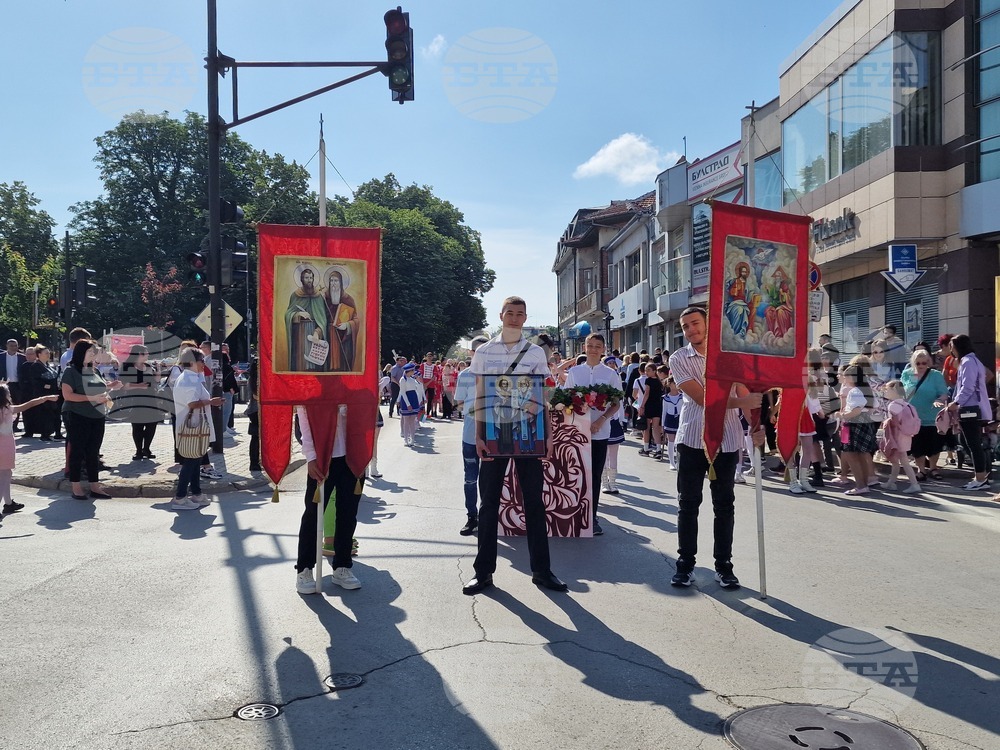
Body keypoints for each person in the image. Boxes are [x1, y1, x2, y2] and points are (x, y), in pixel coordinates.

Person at [463, 296, 568, 595]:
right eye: (509, 312)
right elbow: (481, 395)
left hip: (528, 436)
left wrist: (546, 436)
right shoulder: (483, 351)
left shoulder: (535, 353)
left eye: (519, 314)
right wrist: (480, 436)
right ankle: (482, 573)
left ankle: (542, 571)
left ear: (525, 318)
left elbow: (542, 397)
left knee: (534, 503)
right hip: (495, 436)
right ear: (501, 316)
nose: (514, 317)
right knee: (489, 505)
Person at [668, 306, 763, 590]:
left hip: (728, 440)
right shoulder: (679, 358)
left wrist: (755, 428)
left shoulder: (730, 356)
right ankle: (685, 565)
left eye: (695, 323)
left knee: (724, 506)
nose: (690, 330)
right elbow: (700, 398)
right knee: (688, 505)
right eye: (685, 326)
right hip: (693, 440)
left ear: (709, 323)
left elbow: (745, 396)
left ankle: (724, 566)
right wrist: (741, 404)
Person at [294, 404, 364, 593]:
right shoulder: (313, 385)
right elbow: (305, 420)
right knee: (313, 513)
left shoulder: (354, 380)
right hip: (322, 456)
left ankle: (342, 566)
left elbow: (365, 413)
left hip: (352, 454)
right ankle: (304, 568)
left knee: (348, 513)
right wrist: (310, 457)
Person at [562, 333, 622, 536]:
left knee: (594, 474)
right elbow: (565, 399)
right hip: (577, 432)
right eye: (590, 345)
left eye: (598, 346)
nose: (594, 349)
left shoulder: (610, 374)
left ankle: (591, 516)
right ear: (584, 347)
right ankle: (573, 513)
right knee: (575, 473)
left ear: (603, 349)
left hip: (599, 432)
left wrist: (601, 420)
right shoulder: (575, 372)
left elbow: (616, 403)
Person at [61, 340, 122, 500]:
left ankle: (95, 486)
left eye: (94, 352)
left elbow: (98, 388)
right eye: (90, 352)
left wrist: (110, 387)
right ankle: (76, 486)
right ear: (81, 352)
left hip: (97, 415)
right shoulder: (71, 371)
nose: (93, 354)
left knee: (93, 451)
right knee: (78, 450)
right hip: (77, 415)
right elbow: (68, 395)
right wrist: (92, 398)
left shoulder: (95, 370)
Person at [170, 347, 221, 510]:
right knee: (190, 462)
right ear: (192, 362)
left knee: (196, 460)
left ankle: (196, 493)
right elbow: (192, 404)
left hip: (195, 426)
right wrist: (211, 402)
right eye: (201, 361)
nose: (203, 364)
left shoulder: (191, 377)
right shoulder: (188, 379)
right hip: (192, 427)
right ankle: (180, 497)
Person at [0, 382, 58, 514]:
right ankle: (6, 503)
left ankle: (8, 503)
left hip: (5, 443)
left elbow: (28, 404)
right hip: (5, 444)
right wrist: (45, 398)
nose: (10, 394)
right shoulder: (7, 409)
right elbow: (28, 405)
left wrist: (45, 398)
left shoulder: (7, 409)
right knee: (4, 475)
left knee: (6, 474)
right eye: (8, 393)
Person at [454, 335, 490, 535]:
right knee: (470, 478)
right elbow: (459, 402)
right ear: (471, 352)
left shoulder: (498, 374)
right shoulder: (464, 375)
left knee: (491, 480)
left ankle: (489, 516)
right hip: (469, 436)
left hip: (493, 435)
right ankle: (471, 516)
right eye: (477, 351)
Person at [947, 334, 991, 490]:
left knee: (972, 443)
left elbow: (968, 387)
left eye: (951, 346)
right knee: (968, 442)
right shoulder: (972, 360)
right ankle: (982, 475)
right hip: (972, 408)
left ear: (958, 346)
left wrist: (956, 402)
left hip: (970, 409)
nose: (950, 349)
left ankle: (981, 478)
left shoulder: (967, 362)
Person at [900, 349, 949, 480]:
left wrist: (939, 400)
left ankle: (933, 468)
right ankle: (921, 470)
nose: (921, 365)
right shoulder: (906, 374)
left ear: (929, 362)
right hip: (912, 417)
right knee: (917, 445)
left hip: (932, 416)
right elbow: (901, 392)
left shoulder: (935, 375)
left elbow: (944, 393)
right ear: (913, 363)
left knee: (934, 445)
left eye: (924, 362)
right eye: (918, 363)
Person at [834, 364, 878, 495]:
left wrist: (841, 415)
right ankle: (863, 484)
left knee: (850, 455)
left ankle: (860, 485)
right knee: (859, 455)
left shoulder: (855, 391)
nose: (844, 378)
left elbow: (856, 410)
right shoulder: (866, 389)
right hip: (864, 423)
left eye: (846, 375)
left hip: (853, 424)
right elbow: (870, 408)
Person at [118, 344, 162, 460]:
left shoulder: (148, 366)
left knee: (151, 425)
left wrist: (158, 370)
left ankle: (146, 448)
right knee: (137, 426)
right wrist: (138, 386)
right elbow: (123, 385)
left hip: (151, 399)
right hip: (135, 400)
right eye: (146, 353)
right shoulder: (127, 367)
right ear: (139, 354)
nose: (148, 355)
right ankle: (138, 450)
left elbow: (156, 380)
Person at [878, 380, 921, 493]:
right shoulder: (907, 404)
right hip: (906, 434)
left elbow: (894, 422)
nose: (885, 392)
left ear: (893, 390)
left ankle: (914, 484)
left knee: (901, 460)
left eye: (887, 389)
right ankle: (891, 482)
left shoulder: (893, 405)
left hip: (897, 435)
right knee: (896, 460)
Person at [284, 265, 328, 371]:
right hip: (300, 334)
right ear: (302, 279)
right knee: (301, 363)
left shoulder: (318, 297)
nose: (309, 280)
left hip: (314, 332)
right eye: (306, 278)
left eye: (311, 278)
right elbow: (288, 314)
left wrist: (318, 332)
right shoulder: (295, 295)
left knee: (315, 365)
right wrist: (297, 314)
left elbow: (323, 319)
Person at [323, 267, 360, 372]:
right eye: (331, 281)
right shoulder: (324, 298)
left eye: (336, 280)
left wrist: (347, 325)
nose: (333, 283)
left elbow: (356, 319)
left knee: (342, 365)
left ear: (341, 283)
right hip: (327, 335)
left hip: (343, 336)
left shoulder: (348, 299)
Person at [24, 346, 61, 441]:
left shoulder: (49, 365)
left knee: (54, 413)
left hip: (53, 393)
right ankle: (45, 434)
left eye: (49, 353)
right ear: (39, 355)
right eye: (46, 353)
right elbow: (35, 381)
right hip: (43, 394)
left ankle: (56, 432)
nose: (48, 355)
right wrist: (46, 385)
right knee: (45, 415)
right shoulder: (35, 366)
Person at [1, 339, 26, 432]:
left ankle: (14, 425)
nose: (13, 347)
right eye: (11, 345)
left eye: (15, 345)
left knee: (17, 403)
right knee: (4, 404)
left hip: (17, 385)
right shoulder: (1, 357)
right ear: (7, 346)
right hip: (4, 384)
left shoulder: (22, 358)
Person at [397, 363, 424, 446]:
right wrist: (408, 404)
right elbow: (402, 392)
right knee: (406, 421)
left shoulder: (412, 379)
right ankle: (406, 439)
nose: (414, 371)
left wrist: (419, 400)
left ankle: (412, 438)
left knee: (412, 421)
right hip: (406, 400)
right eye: (413, 370)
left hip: (413, 399)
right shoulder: (403, 380)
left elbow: (418, 389)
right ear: (409, 371)